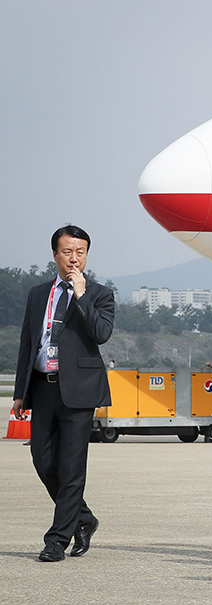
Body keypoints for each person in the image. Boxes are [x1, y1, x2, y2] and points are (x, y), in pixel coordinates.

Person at [11, 225, 114, 562]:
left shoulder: (99, 294)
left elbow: (100, 334)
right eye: (67, 252)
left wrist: (81, 295)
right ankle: (83, 519)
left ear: (87, 255)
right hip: (42, 387)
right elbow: (28, 342)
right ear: (55, 254)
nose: (74, 258)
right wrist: (19, 393)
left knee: (71, 467)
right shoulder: (39, 293)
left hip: (79, 392)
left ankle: (58, 538)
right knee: (42, 460)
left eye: (80, 252)